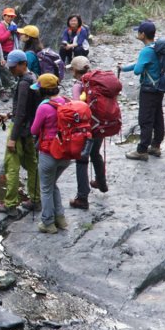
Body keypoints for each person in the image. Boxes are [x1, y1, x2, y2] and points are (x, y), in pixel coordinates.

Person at [0, 50, 40, 217]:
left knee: (11, 165)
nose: (11, 70)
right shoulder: (33, 77)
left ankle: (10, 203)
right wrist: (8, 114)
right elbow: (27, 109)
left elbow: (21, 113)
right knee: (32, 164)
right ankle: (35, 200)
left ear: (23, 64)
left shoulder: (23, 84)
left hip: (19, 130)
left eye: (13, 67)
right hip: (31, 129)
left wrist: (12, 139)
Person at [30, 73, 70, 233]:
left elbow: (34, 130)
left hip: (49, 153)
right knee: (52, 184)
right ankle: (60, 218)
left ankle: (48, 223)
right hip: (66, 153)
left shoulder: (44, 106)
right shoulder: (67, 101)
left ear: (43, 91)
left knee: (45, 188)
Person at [120, 20, 164, 161]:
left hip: (148, 89)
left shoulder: (146, 51)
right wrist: (124, 68)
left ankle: (142, 150)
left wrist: (134, 67)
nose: (137, 34)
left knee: (145, 119)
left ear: (143, 34)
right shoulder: (157, 47)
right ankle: (156, 146)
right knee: (158, 116)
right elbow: (142, 64)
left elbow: (138, 70)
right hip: (159, 87)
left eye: (138, 31)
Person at [68, 56, 108, 209]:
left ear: (74, 70)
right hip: (101, 123)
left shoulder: (78, 86)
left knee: (82, 159)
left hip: (87, 127)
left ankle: (82, 198)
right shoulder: (98, 82)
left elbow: (77, 107)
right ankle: (102, 182)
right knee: (96, 153)